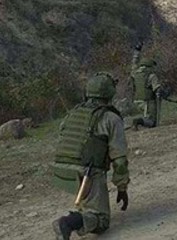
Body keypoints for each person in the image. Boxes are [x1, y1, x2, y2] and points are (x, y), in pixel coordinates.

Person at [51, 72, 130, 240]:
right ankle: (68, 223)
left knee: (89, 203)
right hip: (88, 172)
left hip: (62, 171)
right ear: (109, 93)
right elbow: (120, 160)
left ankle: (80, 213)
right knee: (101, 221)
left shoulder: (73, 113)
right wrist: (122, 188)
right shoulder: (111, 118)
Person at [130, 45, 163, 129]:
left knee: (145, 117)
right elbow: (157, 89)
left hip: (136, 101)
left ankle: (138, 122)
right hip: (147, 102)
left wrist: (137, 51)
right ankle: (139, 121)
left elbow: (134, 63)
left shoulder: (135, 73)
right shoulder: (151, 75)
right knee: (152, 122)